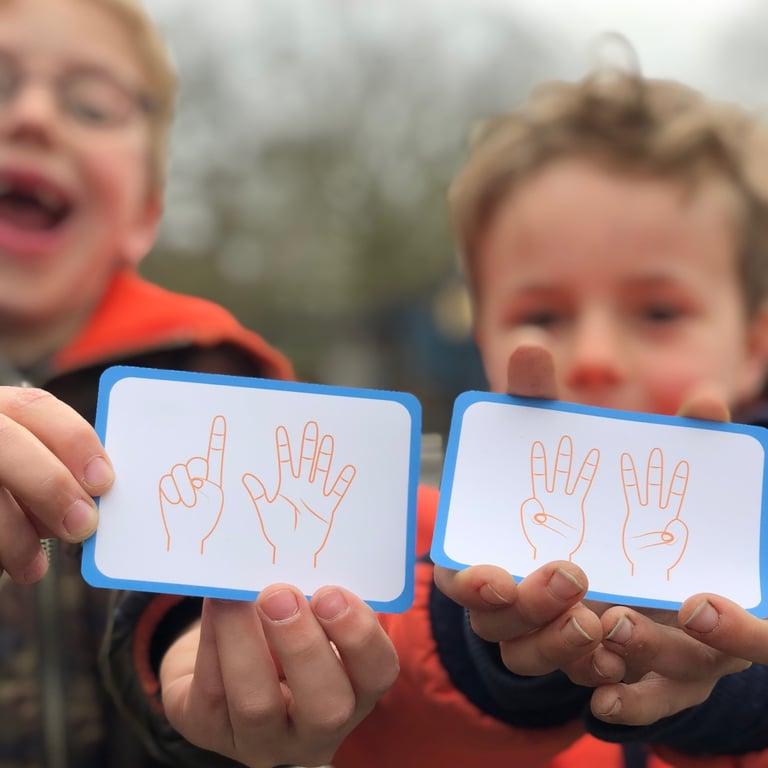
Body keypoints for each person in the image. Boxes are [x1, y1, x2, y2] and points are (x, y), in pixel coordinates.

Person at [133, 70, 768, 767]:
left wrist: (740, 691)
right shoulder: (394, 531)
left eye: (658, 312)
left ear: (753, 346)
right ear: (483, 335)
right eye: (543, 315)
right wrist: (199, 635)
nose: (592, 356)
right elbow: (361, 647)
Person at [0, 0, 344, 766]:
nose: (29, 117)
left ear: (145, 215)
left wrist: (222, 673)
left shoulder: (223, 386)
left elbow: (232, 606)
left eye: (91, 104)